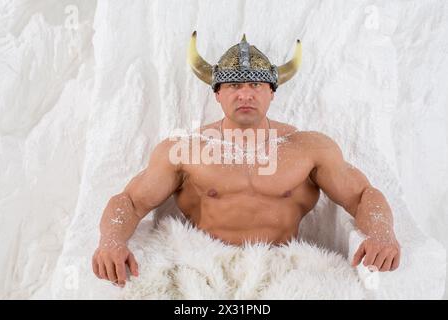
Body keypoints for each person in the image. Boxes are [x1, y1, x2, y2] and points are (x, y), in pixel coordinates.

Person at [92, 32, 401, 287]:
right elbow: (130, 202)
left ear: (272, 92)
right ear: (217, 94)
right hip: (202, 269)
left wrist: (382, 234)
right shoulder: (184, 149)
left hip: (282, 270)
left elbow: (362, 196)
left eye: (255, 85)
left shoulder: (310, 148)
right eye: (234, 85)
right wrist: (111, 241)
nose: (245, 95)